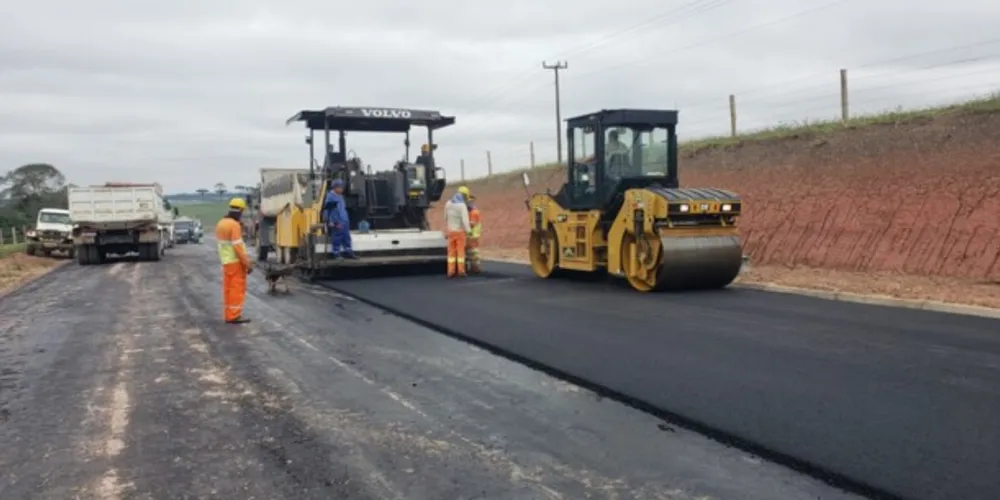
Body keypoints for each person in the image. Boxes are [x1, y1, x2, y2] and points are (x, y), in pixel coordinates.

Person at [215, 197, 253, 324]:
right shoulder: (234, 225)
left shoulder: (221, 223)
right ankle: (234, 315)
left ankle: (228, 314)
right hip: (235, 262)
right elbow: (238, 247)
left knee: (228, 289)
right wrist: (247, 264)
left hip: (226, 261)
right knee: (236, 289)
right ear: (240, 210)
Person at [323, 179, 357, 259]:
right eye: (340, 187)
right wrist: (330, 221)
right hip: (337, 221)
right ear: (335, 187)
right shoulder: (330, 197)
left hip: (344, 220)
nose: (342, 189)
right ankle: (336, 253)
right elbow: (327, 210)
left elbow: (342, 208)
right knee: (337, 237)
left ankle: (348, 251)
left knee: (346, 237)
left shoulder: (340, 196)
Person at [444, 186, 471, 278]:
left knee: (451, 252)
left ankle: (450, 271)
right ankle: (461, 271)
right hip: (459, 232)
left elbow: (445, 217)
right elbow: (465, 220)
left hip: (450, 231)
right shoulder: (462, 206)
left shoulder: (448, 203)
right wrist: (468, 231)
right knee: (460, 252)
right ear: (465, 195)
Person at [466, 195, 482, 274]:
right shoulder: (472, 211)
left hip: (472, 235)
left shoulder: (473, 212)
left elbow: (472, 224)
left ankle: (476, 267)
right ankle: (473, 267)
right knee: (471, 252)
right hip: (472, 234)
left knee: (473, 252)